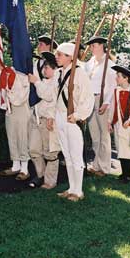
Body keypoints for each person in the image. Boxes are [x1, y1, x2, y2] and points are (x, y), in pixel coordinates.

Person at [50, 42, 94, 202]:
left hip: (72, 119)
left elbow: (87, 98)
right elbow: (54, 97)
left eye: (60, 54)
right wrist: (53, 117)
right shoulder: (58, 73)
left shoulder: (79, 74)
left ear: (69, 57)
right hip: (60, 117)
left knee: (76, 156)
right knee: (67, 155)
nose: (56, 57)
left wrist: (78, 115)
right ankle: (71, 188)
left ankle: (79, 191)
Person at [85, 36, 116, 177]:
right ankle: (96, 164)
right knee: (95, 135)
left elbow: (112, 86)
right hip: (90, 100)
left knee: (104, 135)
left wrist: (106, 102)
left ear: (101, 46)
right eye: (90, 46)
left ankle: (104, 167)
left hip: (102, 100)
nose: (91, 48)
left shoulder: (108, 65)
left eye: (93, 46)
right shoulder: (90, 63)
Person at [28, 52, 60, 189]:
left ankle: (50, 180)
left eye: (47, 67)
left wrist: (36, 82)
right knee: (34, 149)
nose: (44, 70)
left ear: (54, 69)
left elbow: (47, 95)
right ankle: (40, 175)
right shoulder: (44, 81)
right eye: (44, 67)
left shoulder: (56, 82)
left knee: (50, 152)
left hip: (49, 120)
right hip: (37, 119)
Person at [108, 65, 130, 183]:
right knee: (121, 149)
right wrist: (109, 122)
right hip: (119, 126)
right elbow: (113, 107)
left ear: (125, 78)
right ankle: (123, 173)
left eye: (118, 76)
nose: (116, 78)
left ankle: (128, 175)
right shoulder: (117, 91)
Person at [0, 70, 31, 181]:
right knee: (12, 137)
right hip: (10, 110)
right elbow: (0, 91)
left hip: (22, 110)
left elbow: (20, 98)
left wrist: (8, 92)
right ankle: (16, 165)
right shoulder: (7, 73)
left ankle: (24, 169)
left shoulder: (25, 75)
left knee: (22, 138)